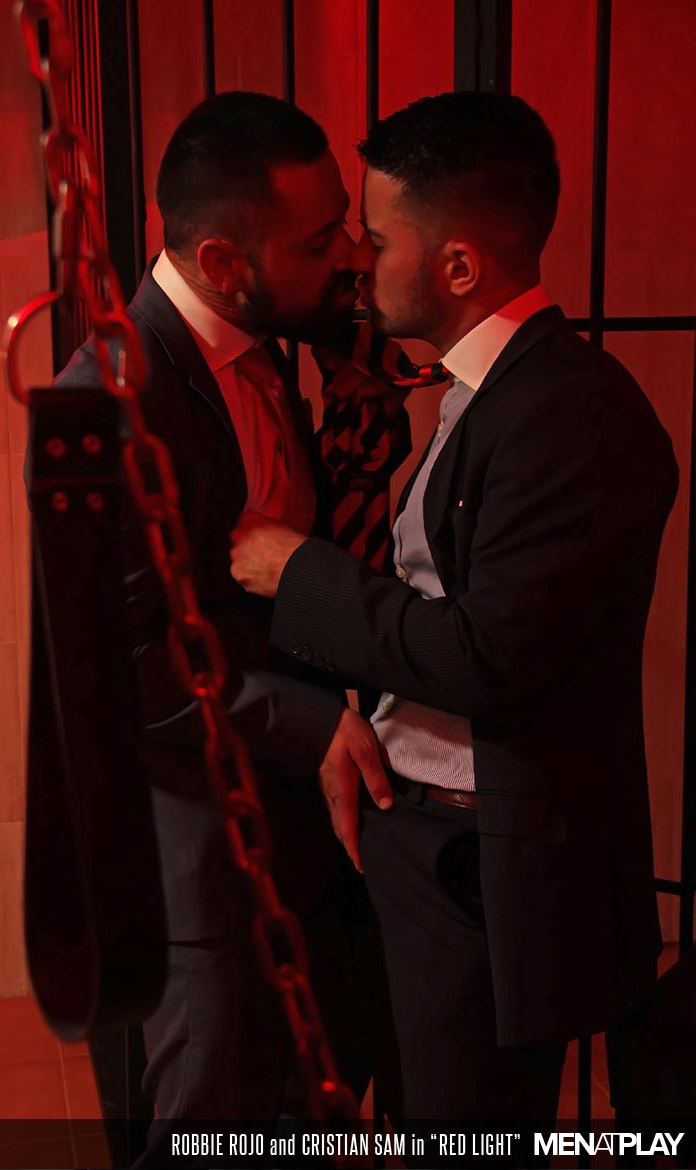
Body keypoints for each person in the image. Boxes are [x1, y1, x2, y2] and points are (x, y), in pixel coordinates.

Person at [230, 91, 679, 1126]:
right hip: (423, 841)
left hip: (481, 873)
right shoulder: (487, 393)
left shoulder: (569, 414)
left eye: (378, 237)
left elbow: (485, 656)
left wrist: (299, 572)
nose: (357, 259)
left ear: (460, 266)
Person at [54, 92, 401, 1160]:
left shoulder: (265, 343)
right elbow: (126, 665)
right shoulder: (107, 405)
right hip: (195, 855)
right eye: (320, 242)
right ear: (218, 261)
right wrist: (311, 723)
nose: (351, 257)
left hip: (307, 832)